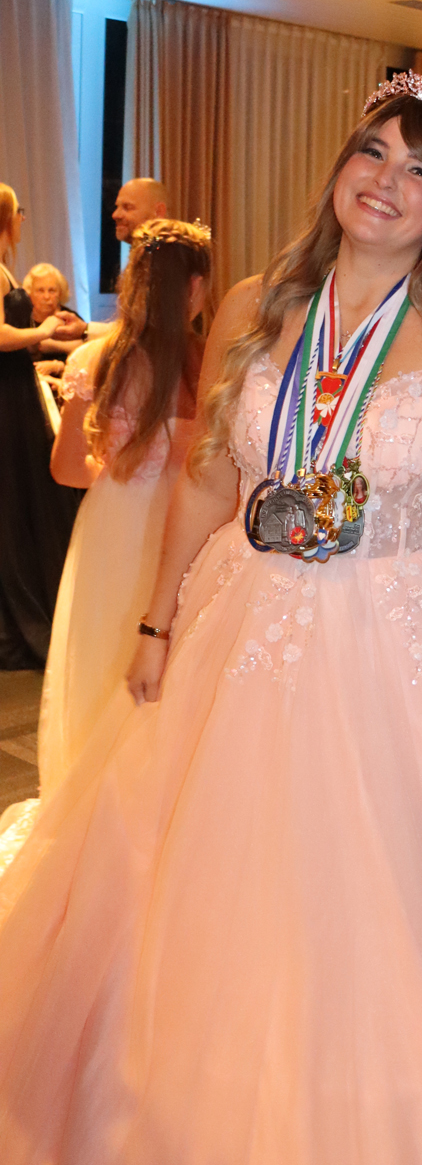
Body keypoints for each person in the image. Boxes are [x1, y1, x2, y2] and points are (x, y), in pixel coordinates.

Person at [0, 72, 422, 1165]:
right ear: (341, 164)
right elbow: (207, 475)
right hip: (244, 623)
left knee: (367, 934)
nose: (385, 181)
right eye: (372, 151)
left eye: (418, 171)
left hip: (400, 639)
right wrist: (154, 618)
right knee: (205, 922)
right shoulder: (258, 304)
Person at [36, 221, 211, 801]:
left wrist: (120, 475)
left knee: (104, 660)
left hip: (112, 528)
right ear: (195, 287)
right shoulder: (211, 364)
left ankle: (92, 802)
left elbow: (66, 469)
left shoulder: (96, 358)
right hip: (189, 530)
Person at [0, 186, 85, 669]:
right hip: (7, 390)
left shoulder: (5, 267)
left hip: (15, 388)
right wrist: (46, 331)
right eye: (19, 212)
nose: (23, 219)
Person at [112, 176, 169, 245]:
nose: (115, 215)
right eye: (117, 207)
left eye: (127, 207)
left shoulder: (171, 250)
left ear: (158, 211)